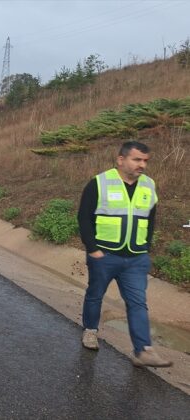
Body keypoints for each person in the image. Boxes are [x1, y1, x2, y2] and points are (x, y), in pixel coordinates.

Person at [78, 141, 171, 367]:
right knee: (95, 295)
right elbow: (84, 217)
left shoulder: (149, 185)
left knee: (138, 303)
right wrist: (93, 249)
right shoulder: (99, 183)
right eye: (137, 159)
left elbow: (150, 220)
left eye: (145, 161)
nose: (142, 165)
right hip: (104, 255)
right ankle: (90, 330)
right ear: (121, 160)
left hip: (136, 258)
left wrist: (146, 248)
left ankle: (143, 350)